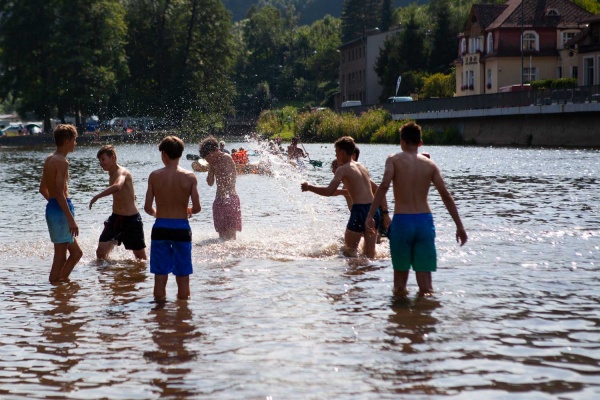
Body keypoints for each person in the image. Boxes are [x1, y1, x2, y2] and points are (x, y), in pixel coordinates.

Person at [366, 122, 468, 297]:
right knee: (426, 286)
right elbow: (446, 196)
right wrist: (459, 226)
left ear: (402, 141)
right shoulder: (430, 165)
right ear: (420, 142)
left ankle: (401, 319)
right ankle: (424, 319)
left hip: (402, 222)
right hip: (424, 223)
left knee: (399, 285)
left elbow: (383, 186)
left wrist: (370, 215)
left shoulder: (394, 160)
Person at [301, 136, 384, 258]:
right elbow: (376, 189)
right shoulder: (362, 167)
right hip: (373, 210)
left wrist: (309, 187)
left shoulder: (343, 169)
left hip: (359, 211)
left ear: (342, 152)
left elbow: (329, 191)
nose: (336, 156)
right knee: (370, 254)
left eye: (336, 152)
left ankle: (354, 276)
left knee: (349, 252)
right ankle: (368, 276)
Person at [144, 136, 201, 302]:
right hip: (181, 228)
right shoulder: (190, 177)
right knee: (183, 276)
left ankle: (159, 314)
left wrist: (158, 213)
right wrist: (188, 210)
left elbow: (147, 207)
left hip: (161, 227)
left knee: (160, 276)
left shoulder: (154, 176)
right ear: (181, 154)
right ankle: (182, 316)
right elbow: (197, 208)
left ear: (164, 154)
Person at [39, 124, 83, 283]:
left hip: (54, 208)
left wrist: (54, 205)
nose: (75, 143)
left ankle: (61, 286)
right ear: (66, 141)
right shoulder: (62, 162)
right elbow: (58, 192)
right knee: (60, 255)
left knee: (77, 253)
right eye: (74, 140)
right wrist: (70, 218)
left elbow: (42, 189)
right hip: (61, 210)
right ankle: (55, 289)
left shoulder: (49, 159)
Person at [89, 145, 147, 260]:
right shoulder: (111, 173)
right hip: (115, 219)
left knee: (141, 259)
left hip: (131, 220)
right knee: (100, 254)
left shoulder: (122, 172)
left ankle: (138, 276)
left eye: (103, 159)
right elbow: (124, 190)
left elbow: (118, 186)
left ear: (113, 157)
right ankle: (111, 274)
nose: (101, 163)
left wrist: (97, 196)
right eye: (99, 160)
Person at [200, 136, 242, 240]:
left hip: (230, 199)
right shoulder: (212, 163)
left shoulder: (226, 158)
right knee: (221, 237)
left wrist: (215, 166)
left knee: (231, 237)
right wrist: (210, 169)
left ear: (213, 152)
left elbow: (229, 180)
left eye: (208, 158)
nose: (208, 160)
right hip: (219, 200)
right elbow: (210, 183)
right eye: (207, 159)